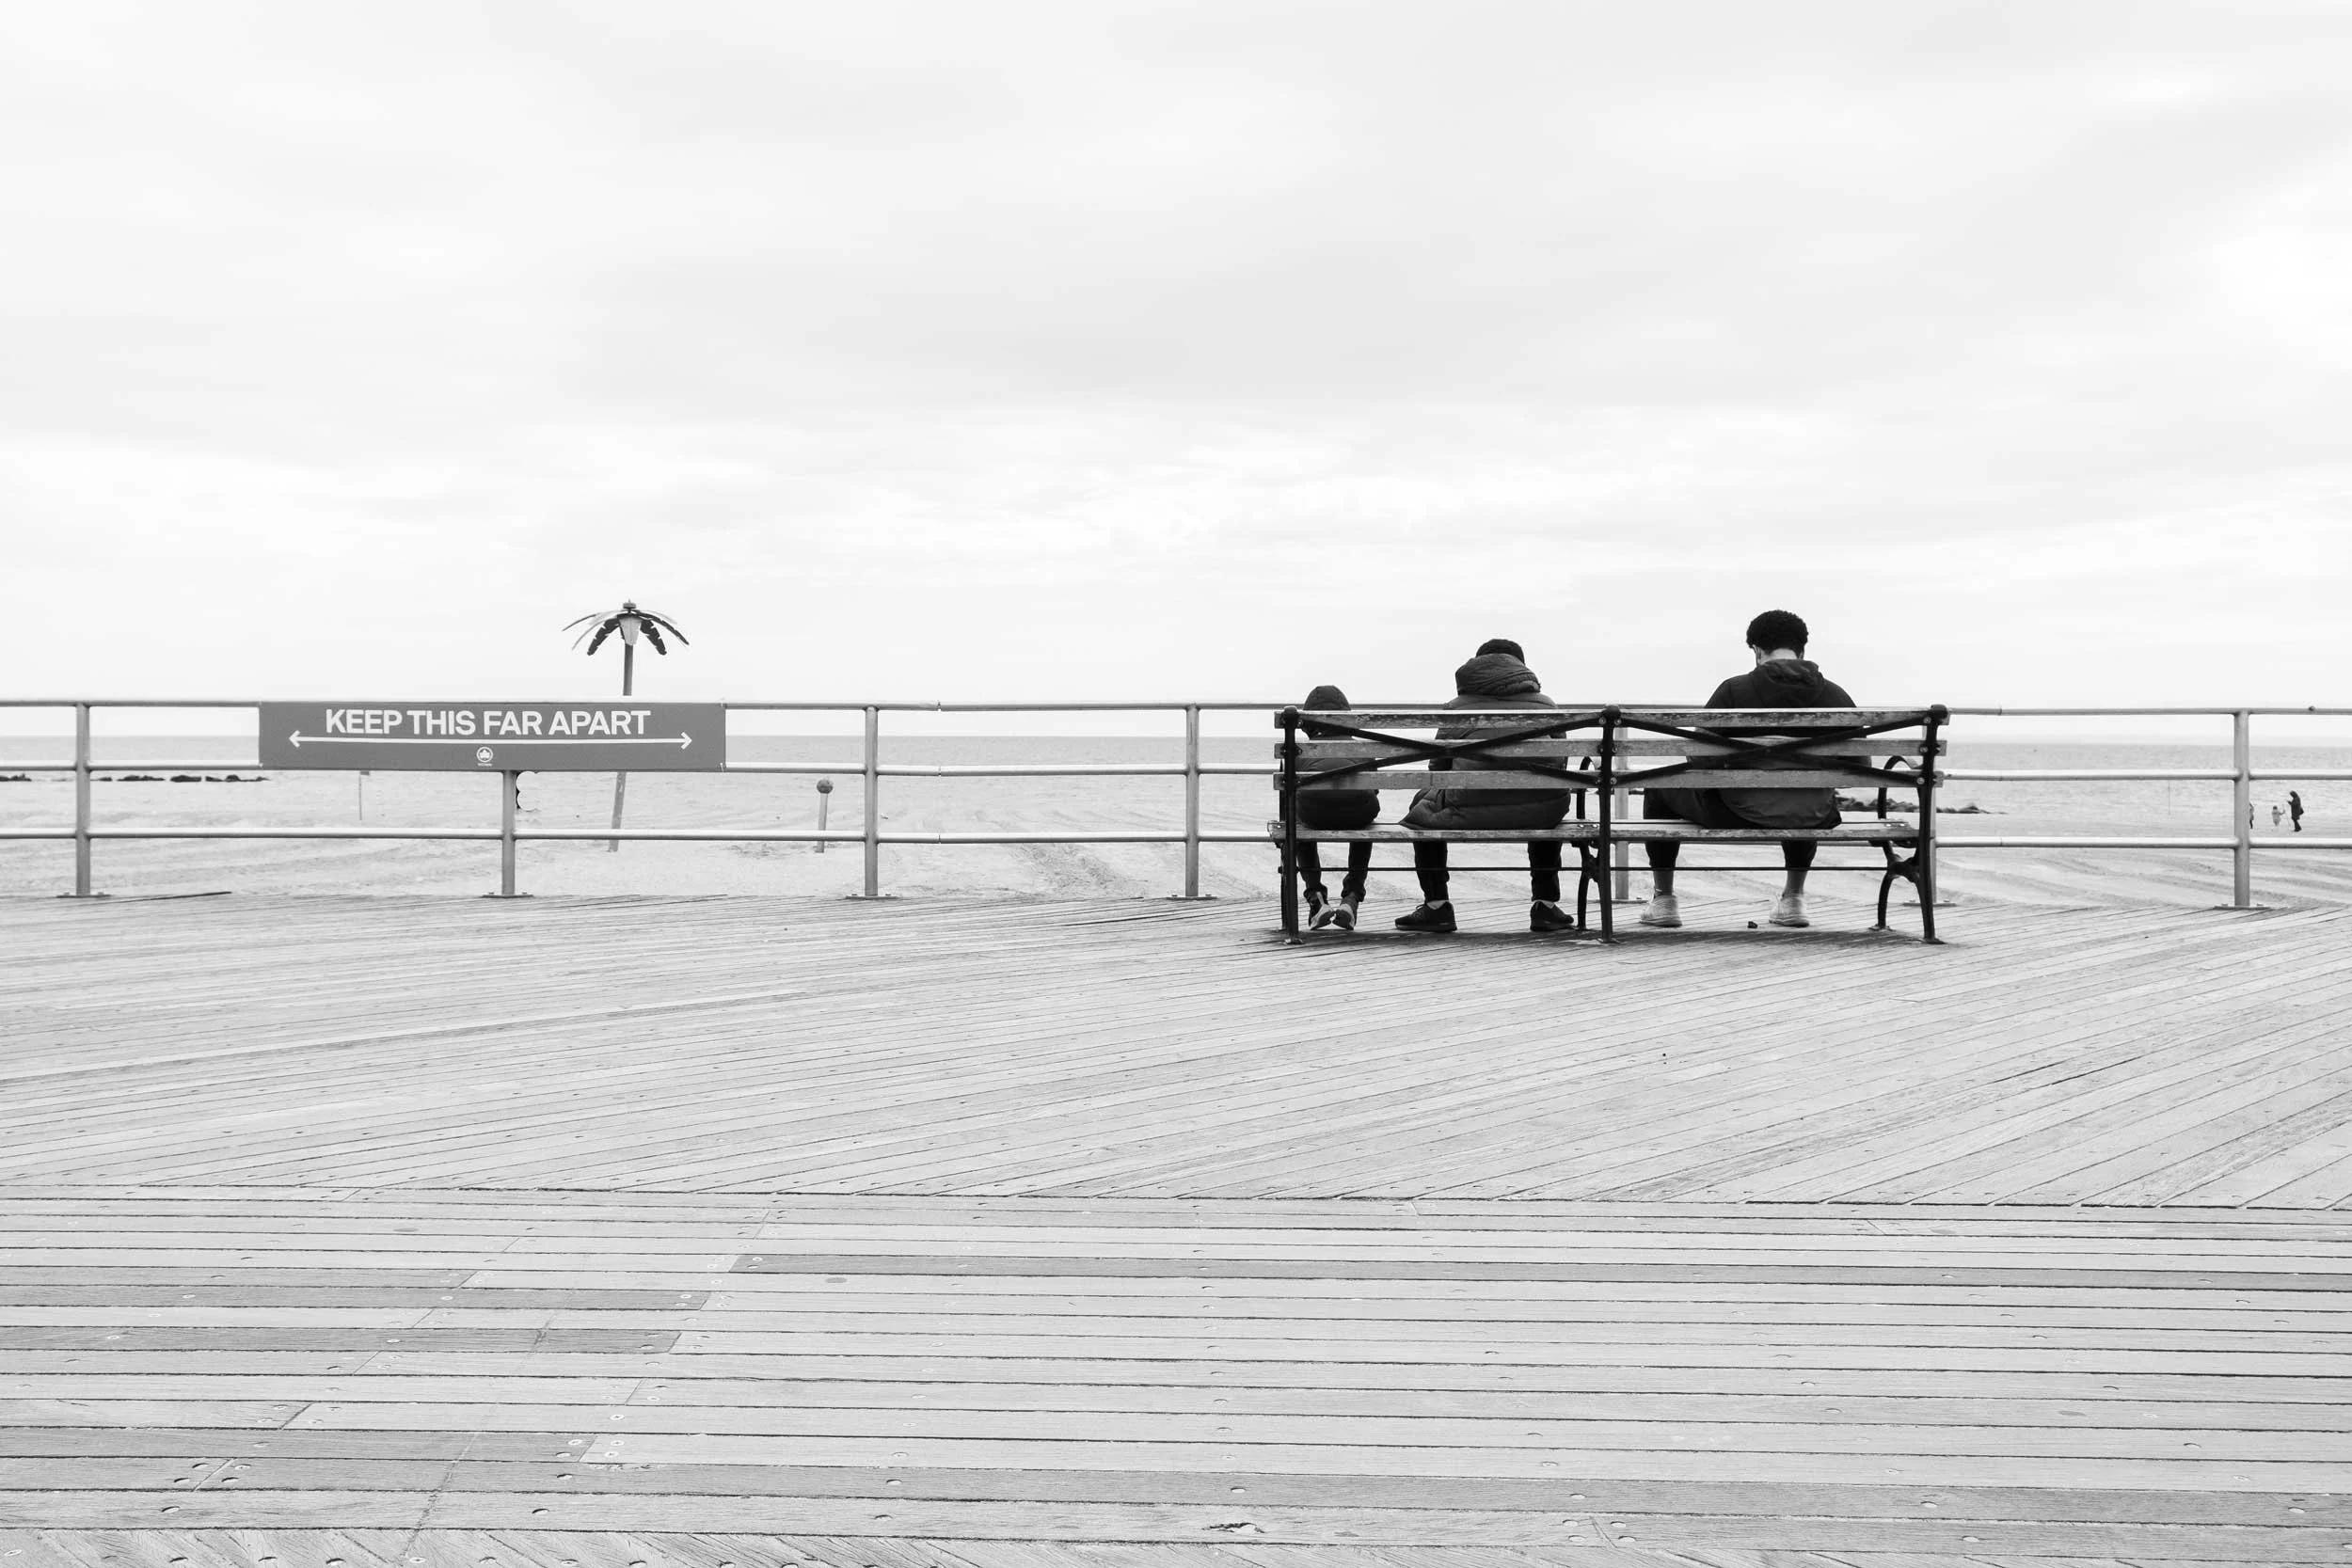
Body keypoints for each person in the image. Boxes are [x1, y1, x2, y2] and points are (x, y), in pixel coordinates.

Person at [1641, 610, 1854, 931]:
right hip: (1813, 814)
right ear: (1802, 649)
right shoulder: (1836, 696)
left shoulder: (1734, 691)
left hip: (1734, 812)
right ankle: (1794, 898)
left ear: (1756, 650)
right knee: (1804, 796)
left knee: (1657, 786)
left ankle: (1664, 901)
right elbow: (1859, 766)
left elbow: (1698, 759)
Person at [1393, 640, 1577, 934]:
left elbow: (1437, 771)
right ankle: (1545, 905)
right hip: (1541, 814)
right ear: (1521, 668)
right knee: (1543, 795)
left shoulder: (1457, 709)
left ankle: (1437, 907)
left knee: (1421, 804)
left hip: (1465, 809)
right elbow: (1560, 768)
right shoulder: (1548, 706)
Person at [1291, 684, 1378, 932]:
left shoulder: (1299, 752)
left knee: (1297, 821)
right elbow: (1374, 788)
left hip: (1313, 815)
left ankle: (1316, 896)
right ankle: (1351, 897)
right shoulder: (1364, 749)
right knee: (1364, 822)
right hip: (1358, 815)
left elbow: (1290, 791)